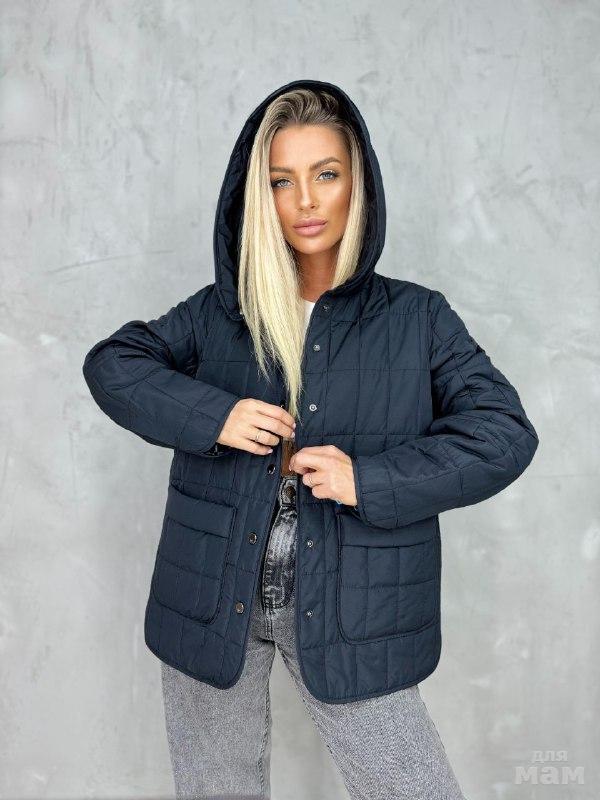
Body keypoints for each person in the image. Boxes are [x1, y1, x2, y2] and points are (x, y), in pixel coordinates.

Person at [82, 79, 539, 799]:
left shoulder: (417, 318)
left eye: (326, 174)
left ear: (359, 183)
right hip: (212, 597)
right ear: (259, 195)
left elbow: (504, 434)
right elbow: (113, 364)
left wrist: (370, 479)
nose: (305, 200)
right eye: (281, 180)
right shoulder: (222, 312)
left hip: (356, 605)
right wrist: (216, 416)